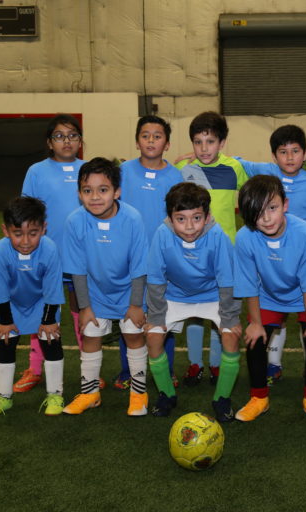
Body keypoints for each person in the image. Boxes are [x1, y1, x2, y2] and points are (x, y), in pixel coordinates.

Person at [234, 124, 306, 386]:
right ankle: (272, 367)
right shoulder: (265, 173)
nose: (289, 157)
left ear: (305, 153)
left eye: (295, 151)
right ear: (273, 155)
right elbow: (236, 162)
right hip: (270, 265)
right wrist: (192, 159)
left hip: (304, 264)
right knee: (270, 325)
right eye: (283, 152)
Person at [233, 175, 306, 425]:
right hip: (268, 295)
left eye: (272, 208)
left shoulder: (304, 233)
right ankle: (259, 398)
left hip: (305, 295)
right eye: (258, 212)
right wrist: (255, 323)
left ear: (285, 205)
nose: (266, 218)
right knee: (255, 339)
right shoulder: (245, 237)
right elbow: (248, 283)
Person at [15, 114, 104, 393]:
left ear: (80, 140)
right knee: (44, 315)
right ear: (49, 142)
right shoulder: (36, 171)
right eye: (59, 136)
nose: (67, 141)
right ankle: (35, 368)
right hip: (47, 258)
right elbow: (27, 213)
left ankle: (88, 369)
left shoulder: (89, 169)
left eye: (73, 135)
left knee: (82, 312)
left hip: (82, 259)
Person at [145, 182, 242, 422]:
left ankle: (222, 399)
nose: (189, 226)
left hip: (212, 295)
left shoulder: (218, 236)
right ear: (170, 218)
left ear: (207, 216)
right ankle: (167, 394)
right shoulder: (162, 234)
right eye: (181, 219)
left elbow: (228, 279)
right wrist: (156, 315)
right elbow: (156, 277)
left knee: (230, 334)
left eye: (196, 218)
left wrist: (229, 317)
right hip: (175, 295)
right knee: (153, 335)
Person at [61, 157, 149, 416]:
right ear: (79, 194)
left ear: (117, 191)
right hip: (94, 291)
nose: (95, 197)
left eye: (103, 190)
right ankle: (90, 394)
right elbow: (77, 269)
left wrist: (135, 304)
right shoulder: (75, 221)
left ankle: (139, 394)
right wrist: (85, 308)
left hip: (129, 290)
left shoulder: (132, 219)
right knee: (90, 335)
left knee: (133, 334)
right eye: (88, 191)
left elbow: (139, 266)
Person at [175, 112, 249, 387]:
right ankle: (195, 363)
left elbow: (251, 195)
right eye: (198, 142)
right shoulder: (184, 171)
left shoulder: (234, 168)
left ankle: (217, 364)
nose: (204, 148)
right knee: (194, 311)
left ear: (222, 142)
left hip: (225, 255)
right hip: (192, 255)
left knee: (222, 312)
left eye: (210, 141)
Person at [115, 115, 181, 391]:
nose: (151, 140)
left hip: (163, 258)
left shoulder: (175, 175)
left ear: (167, 144)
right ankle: (127, 369)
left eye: (158, 135)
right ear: (137, 140)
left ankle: (167, 368)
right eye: (146, 135)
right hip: (128, 256)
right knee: (130, 311)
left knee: (163, 314)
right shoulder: (123, 171)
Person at [0, 196, 65, 417]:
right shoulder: (0, 251)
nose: (26, 241)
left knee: (51, 340)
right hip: (12, 303)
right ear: (5, 230)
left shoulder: (49, 249)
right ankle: (3, 397)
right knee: (5, 341)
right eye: (18, 234)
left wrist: (48, 320)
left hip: (43, 302)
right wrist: (5, 320)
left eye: (33, 233)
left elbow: (53, 289)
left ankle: (55, 394)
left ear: (44, 229)